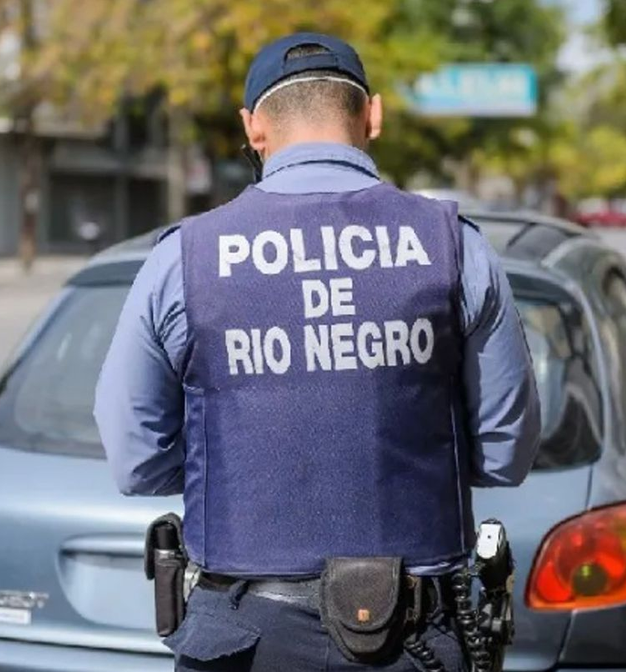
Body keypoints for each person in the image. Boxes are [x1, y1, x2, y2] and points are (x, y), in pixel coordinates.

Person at [95, 32, 541, 672]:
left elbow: (136, 461)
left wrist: (239, 469)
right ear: (373, 117)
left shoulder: (181, 260)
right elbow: (504, 453)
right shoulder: (456, 248)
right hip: (413, 639)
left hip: (244, 639)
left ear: (253, 129)